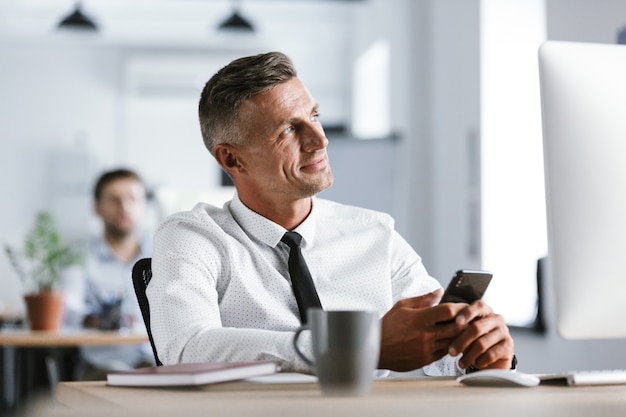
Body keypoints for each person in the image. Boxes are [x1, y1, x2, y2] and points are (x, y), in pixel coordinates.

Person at [147, 52, 515, 375]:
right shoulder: (193, 237)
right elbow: (185, 349)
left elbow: (434, 350)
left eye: (315, 116)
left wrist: (476, 353)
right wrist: (355, 347)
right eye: (290, 129)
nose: (320, 139)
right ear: (231, 158)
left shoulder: (375, 234)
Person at [64, 168, 155, 377]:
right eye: (114, 200)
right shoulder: (80, 257)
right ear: (97, 208)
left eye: (132, 199)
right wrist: (96, 319)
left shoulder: (162, 253)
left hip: (154, 360)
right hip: (102, 365)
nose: (124, 207)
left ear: (143, 206)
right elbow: (68, 307)